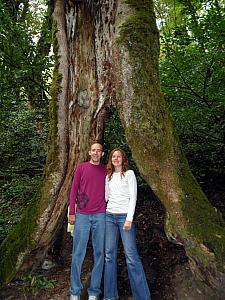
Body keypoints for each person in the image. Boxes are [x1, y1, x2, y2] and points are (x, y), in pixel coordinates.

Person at [104, 148, 151, 300]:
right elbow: (105, 197)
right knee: (109, 256)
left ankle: (142, 296)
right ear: (111, 160)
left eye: (118, 156)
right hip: (109, 217)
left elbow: (133, 197)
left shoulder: (129, 174)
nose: (116, 159)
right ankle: (110, 295)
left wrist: (129, 218)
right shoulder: (108, 177)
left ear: (123, 159)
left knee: (131, 256)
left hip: (124, 217)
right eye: (113, 157)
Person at [69, 142, 107, 300]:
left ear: (102, 154)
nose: (96, 153)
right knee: (78, 253)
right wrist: (72, 211)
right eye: (93, 150)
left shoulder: (106, 170)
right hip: (82, 215)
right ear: (89, 152)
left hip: (101, 215)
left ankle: (94, 292)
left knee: (99, 254)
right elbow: (73, 190)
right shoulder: (81, 167)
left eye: (99, 151)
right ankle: (75, 291)